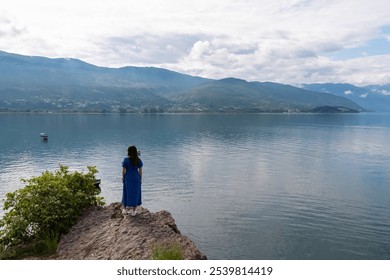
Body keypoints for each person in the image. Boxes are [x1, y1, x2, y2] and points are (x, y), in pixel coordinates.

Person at [122, 145, 143, 216]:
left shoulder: (125, 160)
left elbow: (123, 171)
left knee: (126, 191)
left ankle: (124, 209)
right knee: (136, 193)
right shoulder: (138, 160)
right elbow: (140, 171)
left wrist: (123, 178)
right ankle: (133, 211)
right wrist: (140, 179)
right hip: (136, 178)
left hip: (128, 177)